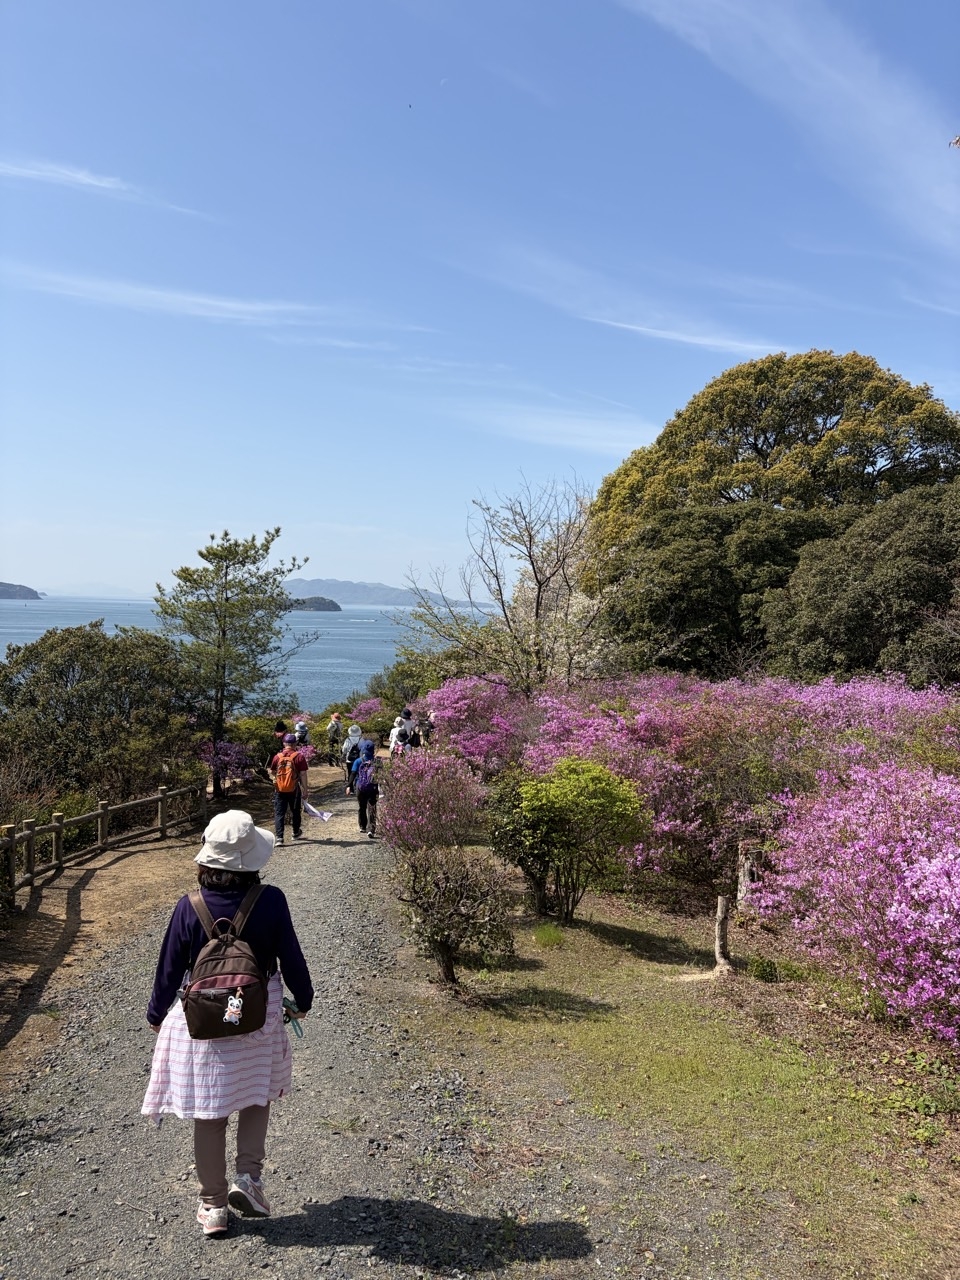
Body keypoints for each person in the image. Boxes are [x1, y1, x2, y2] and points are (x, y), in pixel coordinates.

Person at [142, 810, 313, 1237]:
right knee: (257, 1095)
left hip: (205, 1025)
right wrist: (304, 1000)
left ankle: (213, 1205)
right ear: (250, 860)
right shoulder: (270, 900)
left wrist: (156, 1012)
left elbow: (168, 968)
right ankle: (249, 1180)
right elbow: (291, 957)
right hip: (255, 1015)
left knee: (210, 1112)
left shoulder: (189, 906)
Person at [268, 733, 309, 845]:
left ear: (284, 743)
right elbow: (303, 774)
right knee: (295, 811)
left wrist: (277, 779)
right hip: (294, 789)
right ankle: (296, 833)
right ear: (295, 743)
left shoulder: (277, 757)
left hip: (279, 790)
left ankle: (279, 838)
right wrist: (305, 789)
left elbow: (272, 771)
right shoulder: (299, 756)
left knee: (279, 813)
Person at [351, 738, 380, 839]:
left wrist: (349, 786)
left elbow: (353, 773)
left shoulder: (358, 761)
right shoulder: (377, 761)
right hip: (373, 788)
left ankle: (362, 826)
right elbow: (381, 776)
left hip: (361, 787)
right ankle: (371, 828)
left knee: (361, 807)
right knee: (372, 808)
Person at [341, 724, 363, 793]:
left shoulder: (348, 739)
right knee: (359, 773)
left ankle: (351, 789)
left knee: (350, 773)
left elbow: (344, 749)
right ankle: (358, 787)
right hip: (359, 759)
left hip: (349, 759)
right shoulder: (361, 739)